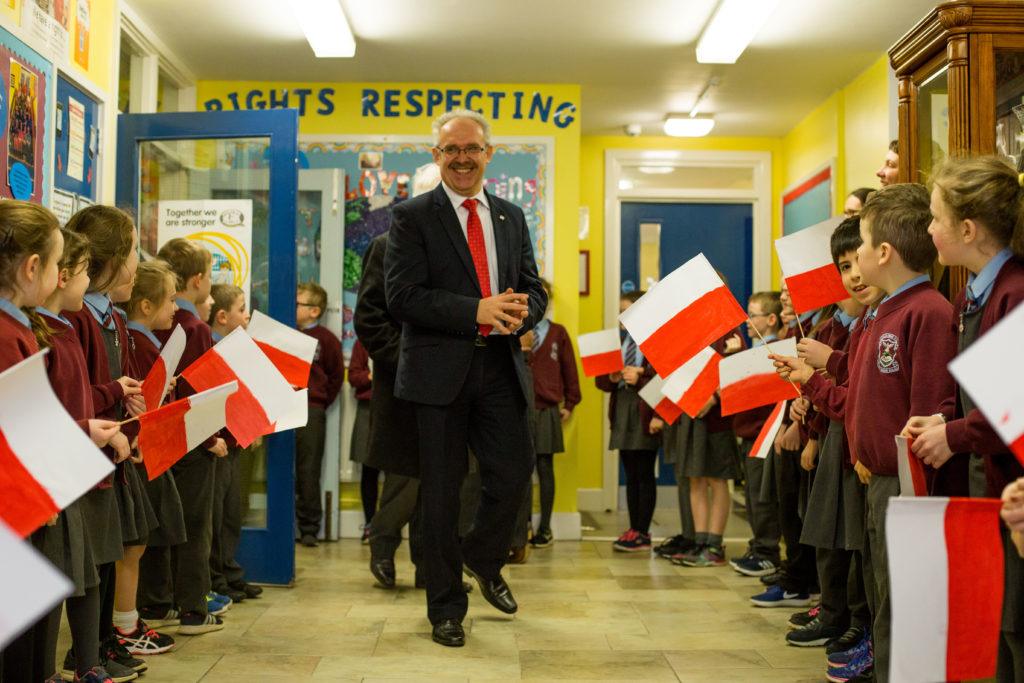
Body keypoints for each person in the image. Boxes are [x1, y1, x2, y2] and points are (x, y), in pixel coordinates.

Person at [384, 109, 546, 647]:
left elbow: (532, 285)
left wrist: (526, 311)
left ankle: (481, 554)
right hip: (438, 374)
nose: (462, 158)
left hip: (500, 367)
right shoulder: (412, 217)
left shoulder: (510, 216)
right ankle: (446, 607)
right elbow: (401, 298)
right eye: (451, 150)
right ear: (437, 156)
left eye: (472, 148)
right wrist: (475, 309)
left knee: (515, 469)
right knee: (441, 494)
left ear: (488, 154)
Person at [903, 156, 1024, 682]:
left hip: (1011, 488)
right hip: (983, 485)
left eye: (935, 218)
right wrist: (940, 419)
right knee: (994, 618)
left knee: (1016, 624)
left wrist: (952, 435)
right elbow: (972, 391)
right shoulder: (973, 292)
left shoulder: (1013, 294)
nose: (928, 229)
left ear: (968, 229)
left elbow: (1012, 409)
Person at [0, 206, 120, 683]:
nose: (60, 277)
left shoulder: (19, 329)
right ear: (33, 269)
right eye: (55, 265)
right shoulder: (10, 336)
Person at [64, 206, 152, 679]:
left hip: (111, 450)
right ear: (112, 257)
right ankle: (86, 656)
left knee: (110, 553)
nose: (138, 259)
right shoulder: (76, 319)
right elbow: (83, 391)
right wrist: (116, 397)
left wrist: (130, 410)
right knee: (92, 562)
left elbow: (120, 381)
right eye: (134, 248)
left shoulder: (110, 315)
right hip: (91, 453)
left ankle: (101, 646)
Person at [786, 219, 870, 657]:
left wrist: (818, 375)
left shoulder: (872, 323)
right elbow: (833, 389)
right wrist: (807, 401)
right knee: (827, 530)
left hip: (858, 441)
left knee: (854, 538)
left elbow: (852, 389)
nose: (854, 276)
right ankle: (834, 609)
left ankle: (855, 620)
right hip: (836, 433)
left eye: (860, 263)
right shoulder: (830, 325)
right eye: (844, 267)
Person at [142, 238, 228, 636]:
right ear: (197, 280)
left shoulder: (147, 324)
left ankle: (157, 603)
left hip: (155, 440)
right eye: (210, 275)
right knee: (195, 525)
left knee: (159, 523)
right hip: (192, 441)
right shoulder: (194, 327)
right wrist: (212, 438)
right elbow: (199, 389)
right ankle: (193, 607)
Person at [121, 261, 183, 657]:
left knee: (138, 543)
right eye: (170, 300)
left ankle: (125, 619)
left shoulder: (146, 342)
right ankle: (124, 622)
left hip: (142, 450)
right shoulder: (138, 343)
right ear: (145, 305)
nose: (176, 308)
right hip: (137, 453)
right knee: (133, 543)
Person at [205, 284, 260, 603]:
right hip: (218, 444)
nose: (247, 314)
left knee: (231, 512)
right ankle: (215, 578)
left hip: (236, 441)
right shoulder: (211, 350)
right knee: (214, 515)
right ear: (223, 316)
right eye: (242, 309)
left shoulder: (238, 348)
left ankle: (228, 570)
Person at [596, 291, 659, 553]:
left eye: (627, 310)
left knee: (644, 471)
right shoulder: (620, 342)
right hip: (622, 407)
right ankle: (634, 527)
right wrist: (611, 376)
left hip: (644, 408)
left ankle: (643, 532)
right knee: (630, 471)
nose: (621, 316)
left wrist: (641, 376)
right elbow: (600, 381)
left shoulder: (656, 341)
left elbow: (664, 376)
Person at [729, 291, 784, 578]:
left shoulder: (774, 353)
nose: (747, 321)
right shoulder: (752, 354)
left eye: (753, 315)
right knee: (751, 496)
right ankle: (757, 545)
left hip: (764, 435)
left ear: (771, 319)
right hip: (748, 435)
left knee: (763, 498)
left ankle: (767, 551)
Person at [525, 279, 581, 549]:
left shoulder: (558, 333)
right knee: (520, 470)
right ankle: (520, 525)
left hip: (547, 409)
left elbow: (570, 370)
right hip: (520, 409)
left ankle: (544, 527)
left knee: (544, 467)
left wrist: (570, 402)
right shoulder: (517, 330)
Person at [293, 281, 344, 548]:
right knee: (283, 467)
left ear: (314, 311)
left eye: (298, 303)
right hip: (283, 406)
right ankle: (284, 525)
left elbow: (336, 377)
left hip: (311, 409)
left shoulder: (326, 340)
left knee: (308, 470)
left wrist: (319, 402)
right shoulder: (286, 333)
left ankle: (310, 527)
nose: (293, 306)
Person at [347, 338, 380, 544]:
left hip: (393, 409)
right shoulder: (363, 343)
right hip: (368, 409)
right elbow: (353, 376)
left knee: (397, 472)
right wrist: (370, 376)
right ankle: (370, 524)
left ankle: (386, 527)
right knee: (368, 469)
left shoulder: (401, 336)